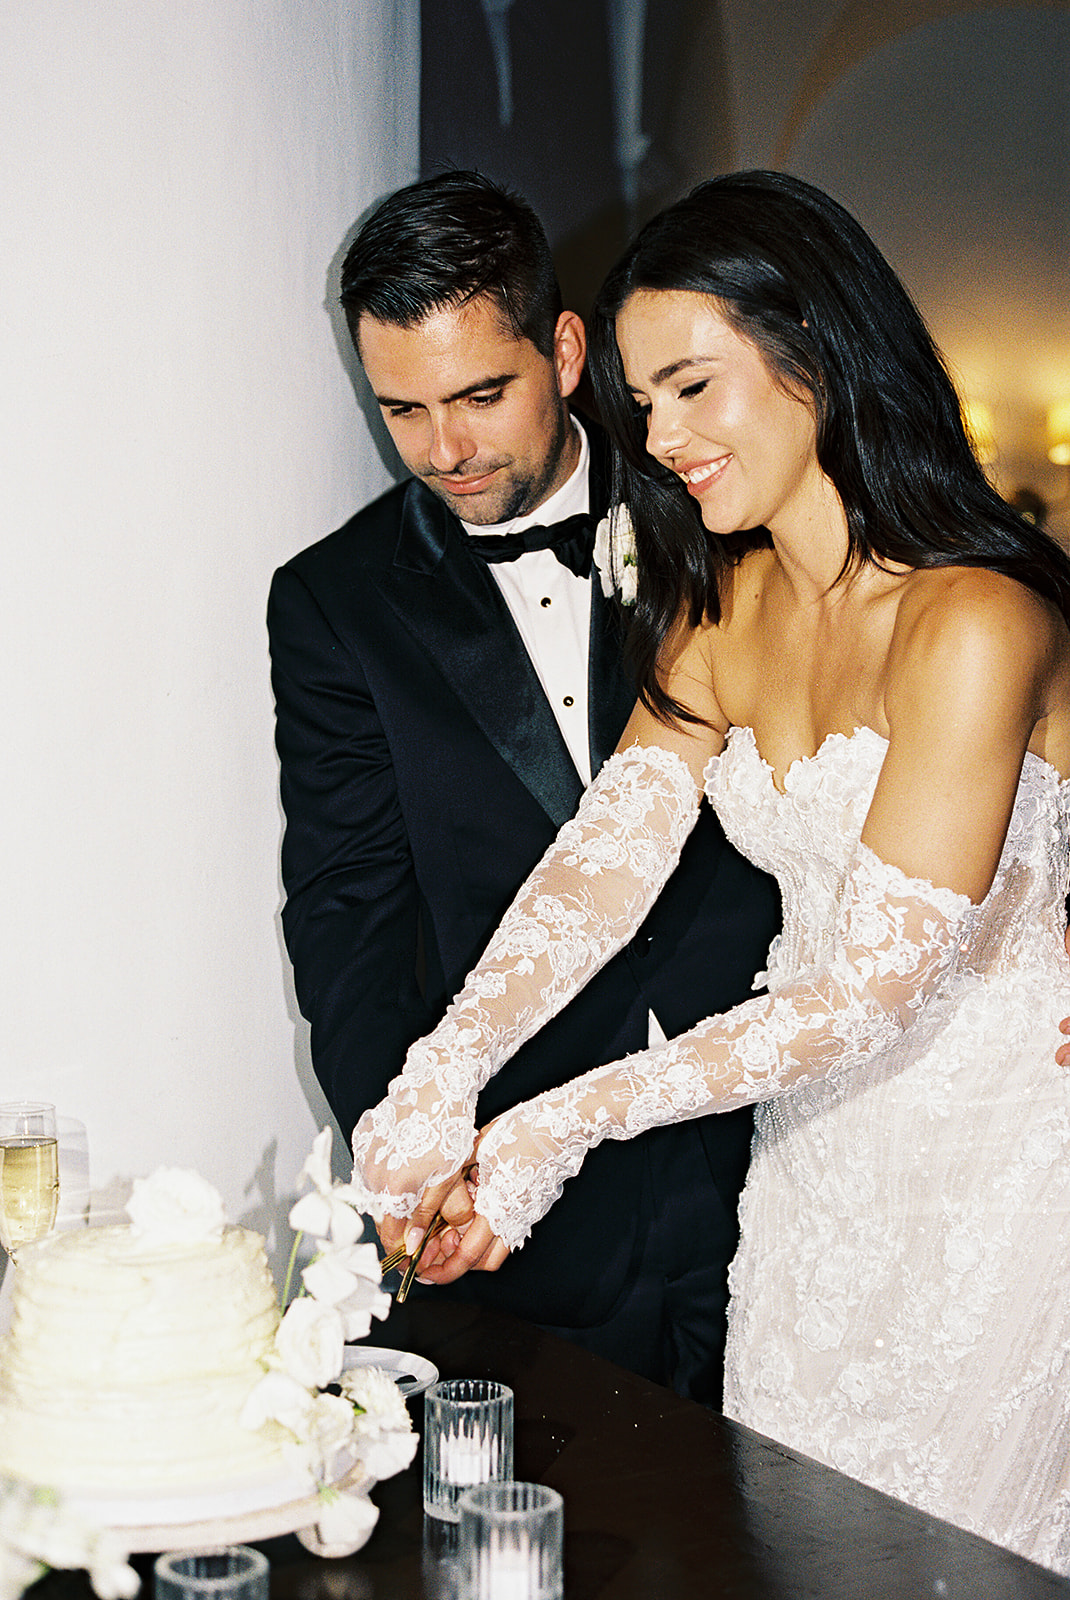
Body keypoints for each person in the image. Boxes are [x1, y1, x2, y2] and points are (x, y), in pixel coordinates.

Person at [351, 171, 1070, 1569]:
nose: (659, 438)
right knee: (790, 1547)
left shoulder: (974, 617)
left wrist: (550, 1127)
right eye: (642, 403)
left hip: (1003, 1171)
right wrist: (441, 1073)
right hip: (810, 1171)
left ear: (816, 348)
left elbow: (869, 992)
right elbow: (596, 872)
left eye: (692, 388)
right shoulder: (721, 612)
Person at [267, 170, 781, 1402]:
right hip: (523, 1193)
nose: (443, 449)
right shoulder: (333, 602)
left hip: (776, 1140)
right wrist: (420, 1155)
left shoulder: (719, 504)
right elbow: (348, 909)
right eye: (400, 410)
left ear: (561, 349)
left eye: (478, 396)